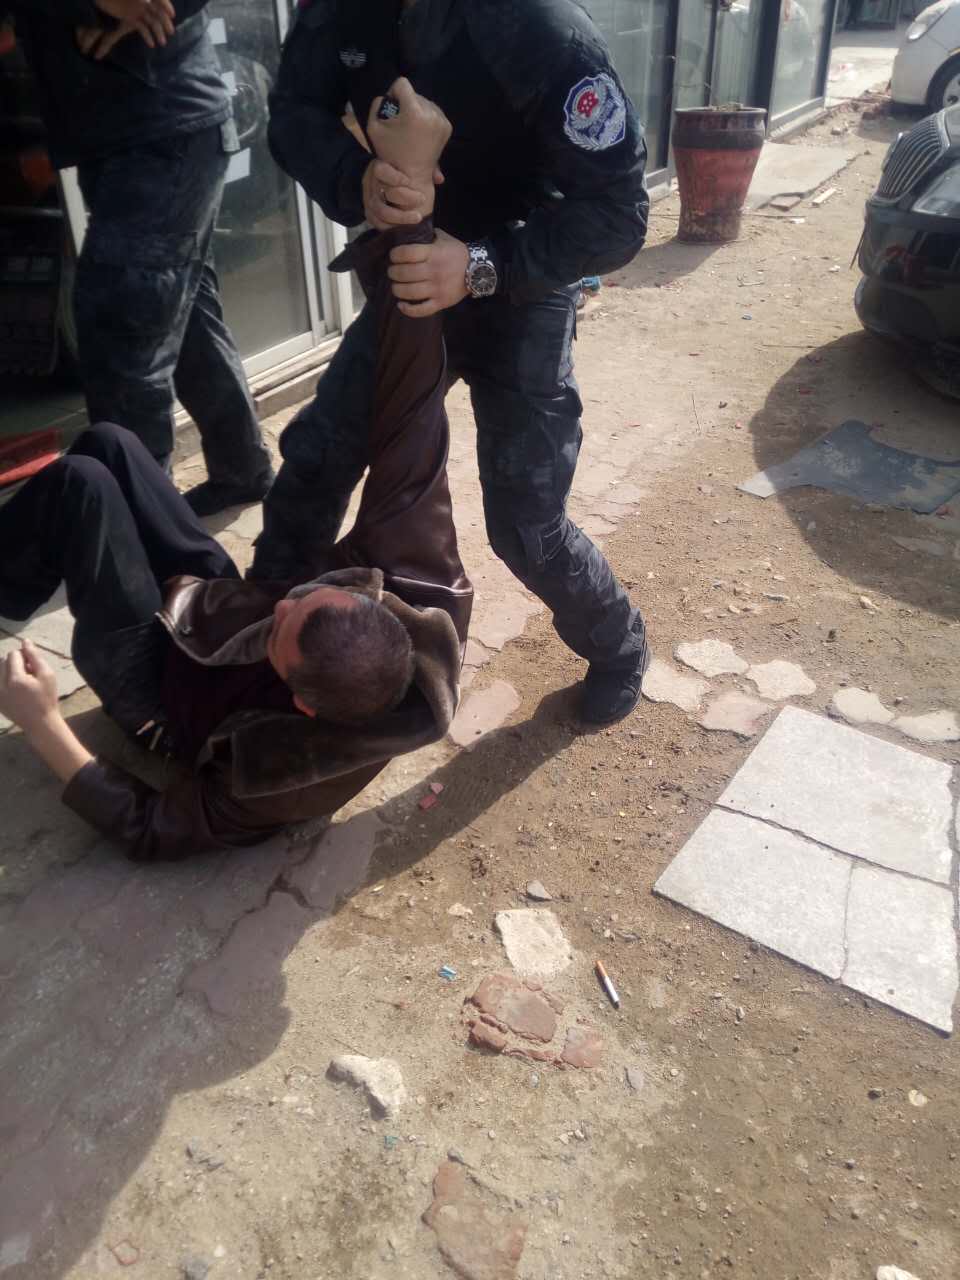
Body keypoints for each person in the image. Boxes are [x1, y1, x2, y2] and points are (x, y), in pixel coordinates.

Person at [0, 82, 472, 862]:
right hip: (212, 614)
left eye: (281, 629)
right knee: (110, 444)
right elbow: (412, 418)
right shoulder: (420, 595)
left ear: (301, 704)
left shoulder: (290, 770)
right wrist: (412, 215)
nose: (283, 600)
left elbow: (152, 829)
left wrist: (43, 720)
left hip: (156, 685)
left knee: (83, 490)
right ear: (371, 603)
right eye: (304, 598)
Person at [253, 0, 651, 726]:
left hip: (521, 281)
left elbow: (619, 214)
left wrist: (479, 266)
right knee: (315, 462)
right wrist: (356, 179)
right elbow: (293, 113)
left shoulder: (541, 28)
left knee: (526, 523)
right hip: (412, 270)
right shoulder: (336, 10)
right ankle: (270, 638)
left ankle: (619, 647)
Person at [10, 0, 274, 515]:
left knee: (123, 341)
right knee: (186, 315)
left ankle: (145, 536)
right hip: (133, 131)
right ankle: (242, 469)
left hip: (163, 129)